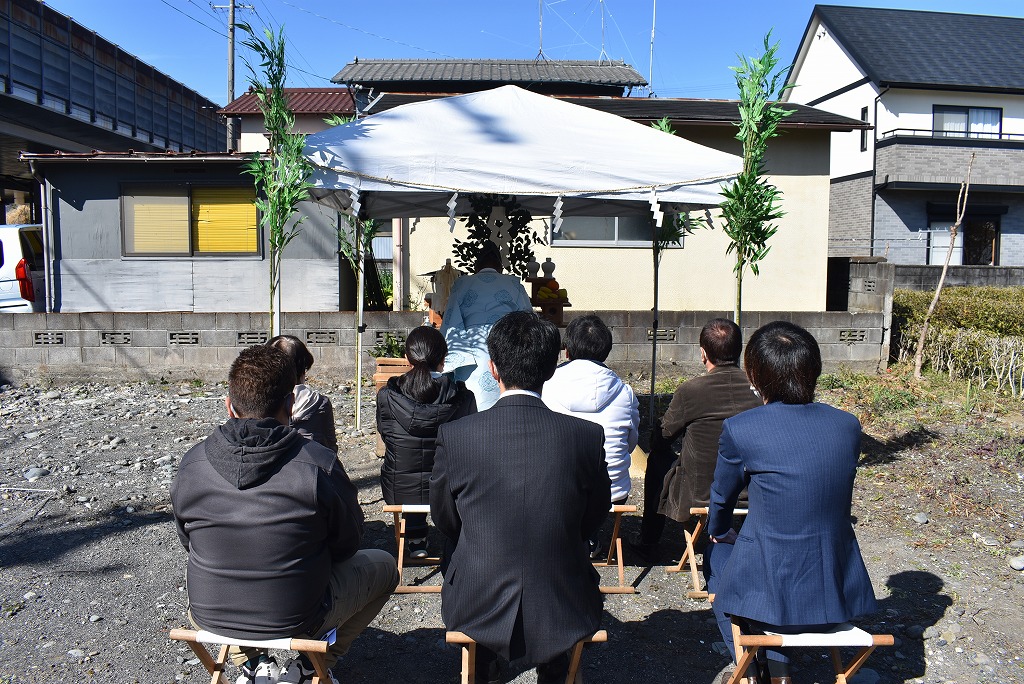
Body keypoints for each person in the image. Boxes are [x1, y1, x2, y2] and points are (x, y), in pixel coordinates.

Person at [171, 346, 398, 684]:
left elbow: (189, 542)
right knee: (384, 568)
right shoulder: (317, 463)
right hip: (296, 615)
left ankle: (252, 665)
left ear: (229, 406)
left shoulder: (191, 465)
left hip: (210, 614)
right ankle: (311, 666)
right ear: (291, 405)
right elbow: (348, 542)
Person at [430, 311, 611, 683]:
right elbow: (594, 515)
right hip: (565, 596)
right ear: (551, 369)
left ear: (493, 368)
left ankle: (483, 669)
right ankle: (554, 670)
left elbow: (445, 517)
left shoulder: (458, 435)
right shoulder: (585, 437)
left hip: (477, 596)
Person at [706, 321, 877, 684]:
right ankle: (778, 669)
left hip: (770, 589)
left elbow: (722, 497)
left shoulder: (743, 428)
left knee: (719, 555)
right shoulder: (847, 426)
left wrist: (719, 530)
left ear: (754, 372)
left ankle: (748, 669)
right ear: (814, 370)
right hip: (834, 587)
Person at [630, 318, 761, 561]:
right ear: (739, 351)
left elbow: (662, 437)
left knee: (658, 459)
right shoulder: (757, 389)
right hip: (751, 486)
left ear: (703, 353)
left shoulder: (691, 390)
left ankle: (649, 541)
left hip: (701, 490)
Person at [377, 325, 477, 559]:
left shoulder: (388, 395)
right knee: (442, 469)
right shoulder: (463, 396)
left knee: (407, 463)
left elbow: (386, 434)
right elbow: (469, 444)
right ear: (444, 358)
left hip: (399, 490)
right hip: (451, 488)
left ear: (406, 358)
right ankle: (455, 539)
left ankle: (415, 539)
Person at [542, 314, 638, 555]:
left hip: (558, 490)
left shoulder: (546, 386)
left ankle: (574, 539)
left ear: (566, 351)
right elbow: (630, 443)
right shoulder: (624, 393)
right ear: (606, 351)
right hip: (613, 491)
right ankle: (590, 537)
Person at [440, 240, 533, 410]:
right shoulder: (514, 283)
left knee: (473, 402)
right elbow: (528, 321)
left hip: (472, 349)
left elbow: (451, 321)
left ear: (476, 266)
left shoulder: (462, 283)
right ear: (501, 267)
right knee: (508, 397)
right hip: (507, 345)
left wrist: (454, 356)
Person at [268, 334, 338, 452]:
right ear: (302, 370)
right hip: (309, 465)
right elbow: (331, 447)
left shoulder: (258, 399)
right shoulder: (320, 402)